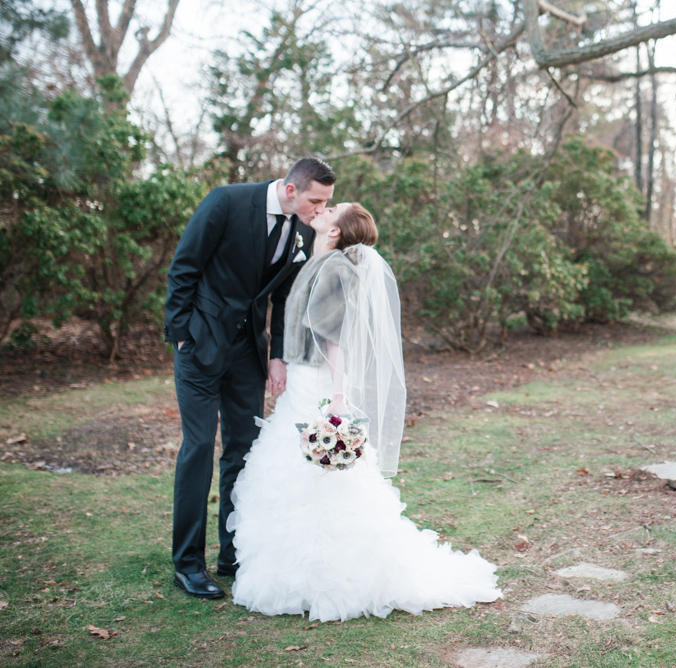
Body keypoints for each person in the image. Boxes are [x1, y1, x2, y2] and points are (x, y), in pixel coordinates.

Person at [227, 203, 501, 621]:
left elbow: (335, 338)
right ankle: (298, 574)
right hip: (301, 378)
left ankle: (336, 578)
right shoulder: (319, 260)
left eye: (332, 209)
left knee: (321, 479)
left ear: (335, 232)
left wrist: (338, 397)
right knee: (295, 477)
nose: (324, 208)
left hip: (319, 385)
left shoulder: (335, 268)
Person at [164, 158, 335, 599]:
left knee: (242, 450)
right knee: (200, 448)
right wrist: (181, 334)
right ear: (292, 190)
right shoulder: (226, 201)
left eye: (326, 203)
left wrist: (277, 357)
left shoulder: (300, 231)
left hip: (248, 355)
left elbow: (283, 297)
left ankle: (232, 552)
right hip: (200, 345)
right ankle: (188, 564)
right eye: (316, 200)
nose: (321, 210)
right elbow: (184, 268)